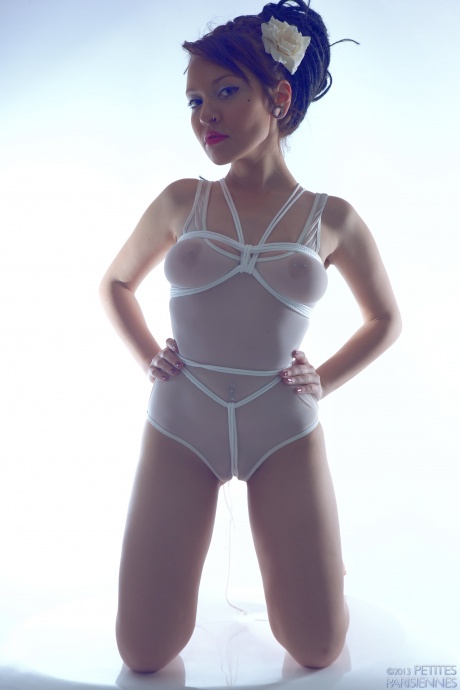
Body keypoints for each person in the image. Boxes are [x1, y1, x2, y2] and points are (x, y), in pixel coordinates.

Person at [99, 0, 401, 674]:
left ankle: (323, 573)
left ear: (279, 96)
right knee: (143, 653)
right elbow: (115, 282)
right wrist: (150, 356)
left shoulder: (333, 219)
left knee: (318, 649)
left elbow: (387, 319)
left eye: (225, 92)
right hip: (181, 421)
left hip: (282, 428)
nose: (205, 113)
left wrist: (322, 379)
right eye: (194, 100)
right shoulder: (184, 201)